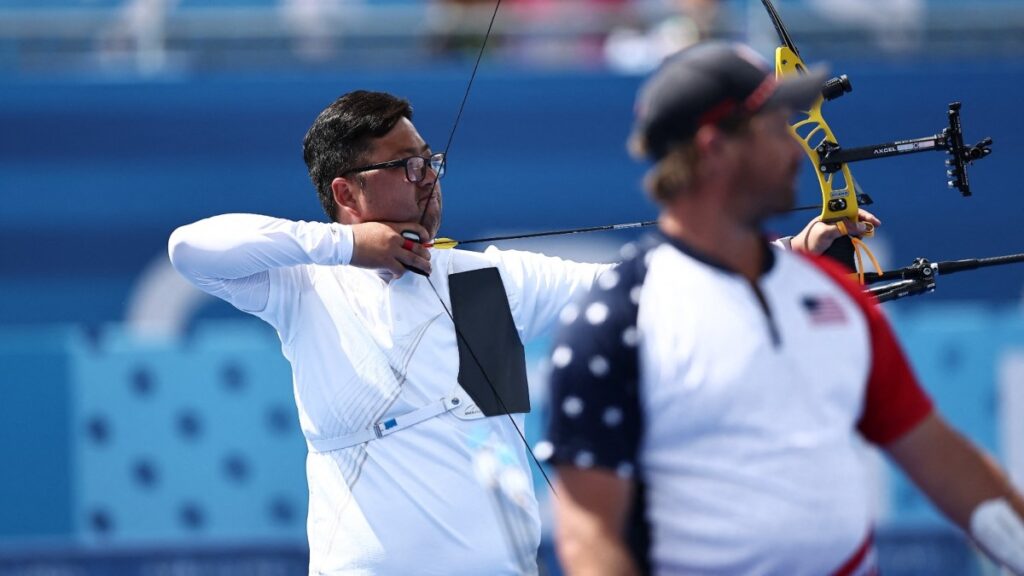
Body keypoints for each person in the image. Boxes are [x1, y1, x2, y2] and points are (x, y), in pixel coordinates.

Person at [168, 89, 871, 574]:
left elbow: (644, 285)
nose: (427, 179)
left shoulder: (481, 281)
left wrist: (792, 251)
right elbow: (191, 248)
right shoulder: (305, 287)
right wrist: (352, 248)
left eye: (430, 162)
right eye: (405, 166)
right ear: (346, 192)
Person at [542, 41, 1024, 576]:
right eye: (776, 130)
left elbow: (940, 456)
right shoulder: (615, 321)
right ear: (715, 149)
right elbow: (591, 536)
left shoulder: (830, 293)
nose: (798, 151)